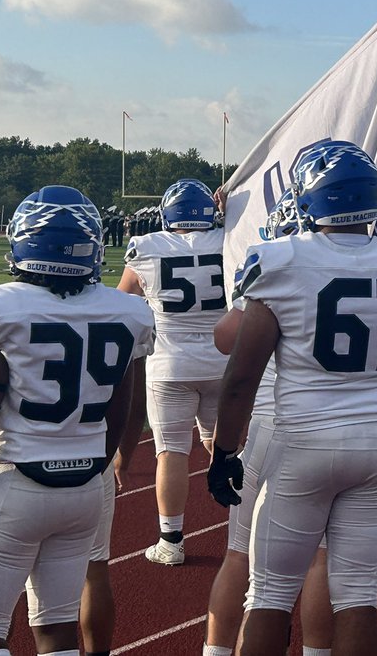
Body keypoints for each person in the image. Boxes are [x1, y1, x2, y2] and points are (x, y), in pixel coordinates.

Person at [210, 140, 377, 656]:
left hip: (304, 443)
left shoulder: (281, 259)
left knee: (270, 594)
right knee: (357, 596)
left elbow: (240, 377)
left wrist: (225, 450)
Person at [0, 186, 153, 656]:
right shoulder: (127, 311)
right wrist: (99, 463)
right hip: (82, 488)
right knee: (56, 630)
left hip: (14, 479)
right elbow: (126, 407)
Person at [203, 189, 333, 656]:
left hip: (268, 427)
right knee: (322, 564)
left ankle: (218, 650)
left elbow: (224, 342)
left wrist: (245, 296)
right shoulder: (368, 263)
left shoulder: (278, 267)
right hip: (328, 430)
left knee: (241, 555)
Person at [119, 179, 227, 565]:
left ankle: (171, 541)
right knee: (226, 445)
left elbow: (123, 303)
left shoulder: (146, 248)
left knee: (171, 453)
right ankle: (251, 526)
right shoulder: (228, 240)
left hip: (170, 363)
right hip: (223, 359)